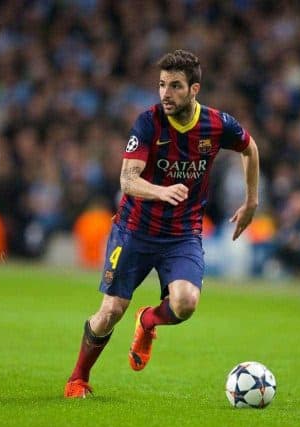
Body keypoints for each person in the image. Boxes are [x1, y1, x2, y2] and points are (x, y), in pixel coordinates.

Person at [64, 50, 260, 398]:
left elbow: (249, 148)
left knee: (186, 303)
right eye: (161, 85)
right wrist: (160, 191)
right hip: (134, 230)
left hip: (182, 235)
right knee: (111, 311)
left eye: (175, 86)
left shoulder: (216, 125)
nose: (165, 94)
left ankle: (149, 321)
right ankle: (78, 378)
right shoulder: (148, 123)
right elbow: (127, 180)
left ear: (194, 89)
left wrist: (251, 201)